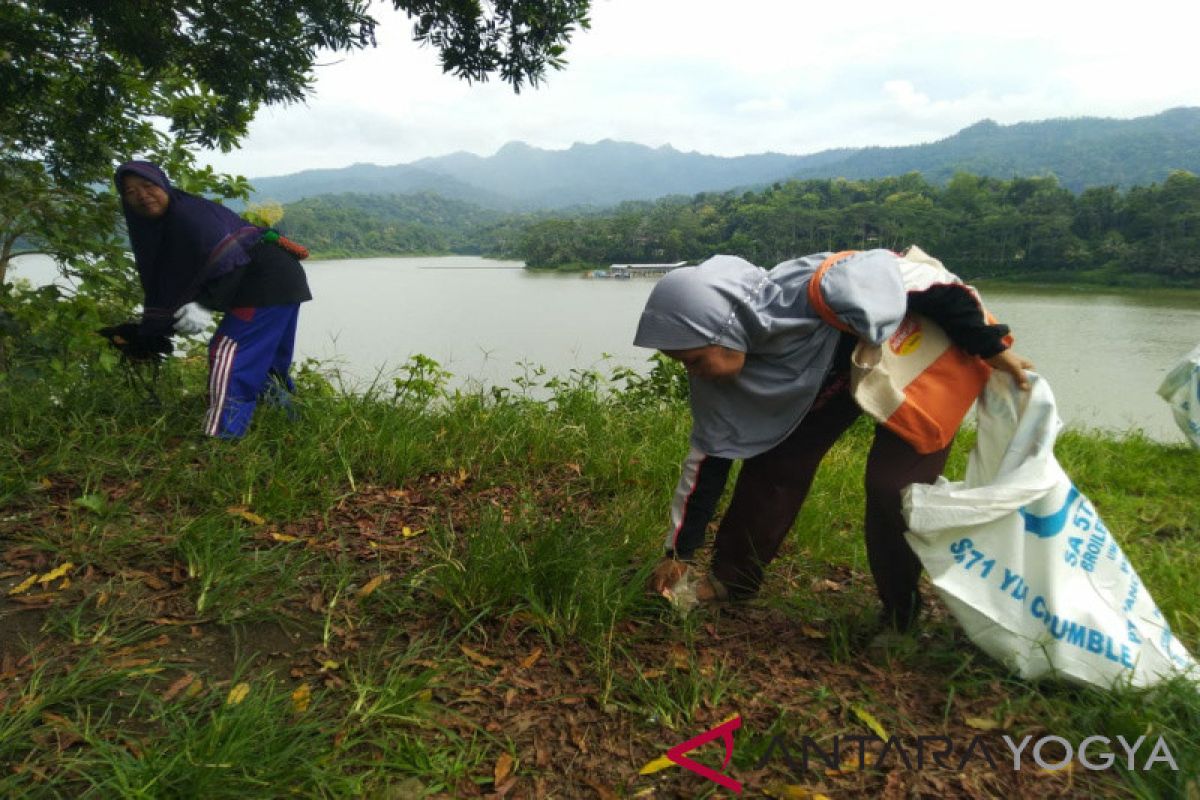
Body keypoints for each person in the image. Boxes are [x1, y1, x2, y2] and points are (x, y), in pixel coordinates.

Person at [635, 248, 1032, 635]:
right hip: (841, 377)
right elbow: (707, 460)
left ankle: (902, 613)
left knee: (892, 487)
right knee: (775, 466)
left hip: (921, 354)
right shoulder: (721, 374)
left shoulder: (825, 290)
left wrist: (994, 349)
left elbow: (937, 289)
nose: (695, 373)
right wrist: (679, 554)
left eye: (695, 359)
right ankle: (730, 584)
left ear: (723, 327)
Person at [115, 160, 312, 438]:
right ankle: (289, 425)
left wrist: (207, 304)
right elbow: (172, 279)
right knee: (265, 360)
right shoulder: (162, 226)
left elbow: (231, 257)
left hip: (263, 279)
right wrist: (150, 332)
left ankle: (222, 438)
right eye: (131, 192)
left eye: (148, 186)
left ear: (163, 185)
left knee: (228, 353)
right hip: (281, 280)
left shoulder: (187, 214)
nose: (142, 195)